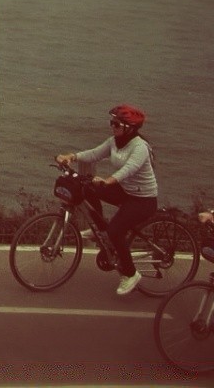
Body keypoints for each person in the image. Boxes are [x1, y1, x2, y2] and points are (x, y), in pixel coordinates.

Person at [57, 103, 158, 296]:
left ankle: (130, 274)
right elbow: (95, 153)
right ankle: (100, 230)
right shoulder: (114, 141)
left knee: (116, 232)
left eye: (117, 124)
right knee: (86, 188)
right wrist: (72, 156)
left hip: (142, 199)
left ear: (129, 128)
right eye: (112, 123)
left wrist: (108, 181)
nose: (112, 127)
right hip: (125, 191)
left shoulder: (140, 147)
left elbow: (129, 168)